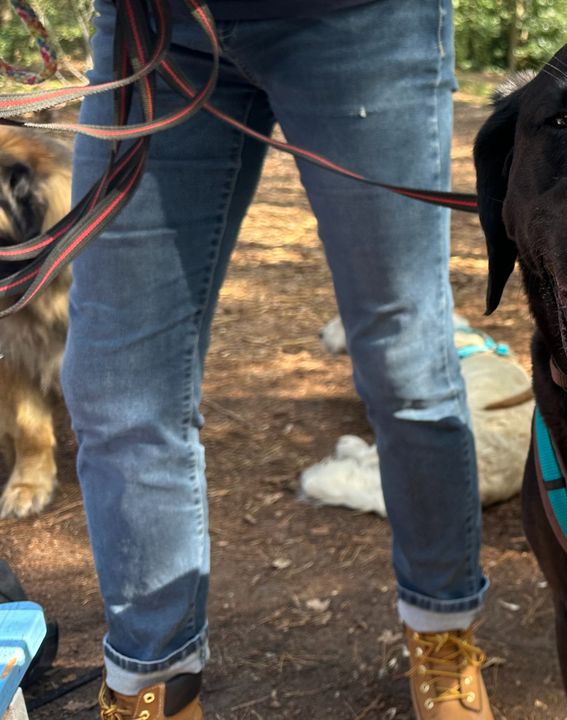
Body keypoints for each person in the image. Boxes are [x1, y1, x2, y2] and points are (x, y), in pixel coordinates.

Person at [65, 1, 492, 718]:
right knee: (116, 386)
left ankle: (442, 629)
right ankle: (151, 679)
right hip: (155, 29)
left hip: (361, 19)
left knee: (405, 361)